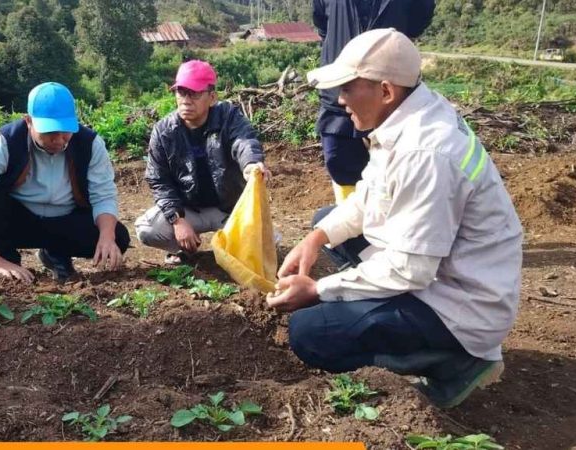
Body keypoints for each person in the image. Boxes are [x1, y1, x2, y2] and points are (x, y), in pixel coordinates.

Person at [268, 29, 522, 409]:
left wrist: (319, 291)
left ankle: (457, 361)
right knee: (327, 220)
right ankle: (409, 329)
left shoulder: (426, 151)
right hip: (449, 271)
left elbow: (411, 269)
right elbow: (369, 197)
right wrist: (316, 238)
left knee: (309, 332)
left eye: (348, 89)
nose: (340, 100)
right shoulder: (406, 117)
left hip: (463, 305)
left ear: (385, 91)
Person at [0, 82, 130, 282]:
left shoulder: (90, 144)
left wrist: (107, 237)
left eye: (65, 131)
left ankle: (55, 254)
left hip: (66, 221)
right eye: (50, 132)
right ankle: (6, 261)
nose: (59, 140)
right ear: (28, 121)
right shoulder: (6, 142)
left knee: (117, 236)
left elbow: (104, 195)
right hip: (18, 221)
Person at [135, 60, 270, 264]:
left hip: (228, 207)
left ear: (212, 97)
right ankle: (181, 249)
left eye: (194, 93)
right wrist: (177, 220)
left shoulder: (228, 117)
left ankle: (233, 241)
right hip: (188, 209)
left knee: (263, 245)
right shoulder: (164, 131)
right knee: (148, 229)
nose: (186, 100)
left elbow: (244, 141)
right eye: (181, 92)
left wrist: (251, 164)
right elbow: (158, 180)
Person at [313, 0, 435, 203]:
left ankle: (382, 223)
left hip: (390, 99)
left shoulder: (427, 146)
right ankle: (355, 226)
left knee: (394, 170)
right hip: (340, 97)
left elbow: (418, 21)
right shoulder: (343, 98)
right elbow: (322, 23)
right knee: (340, 164)